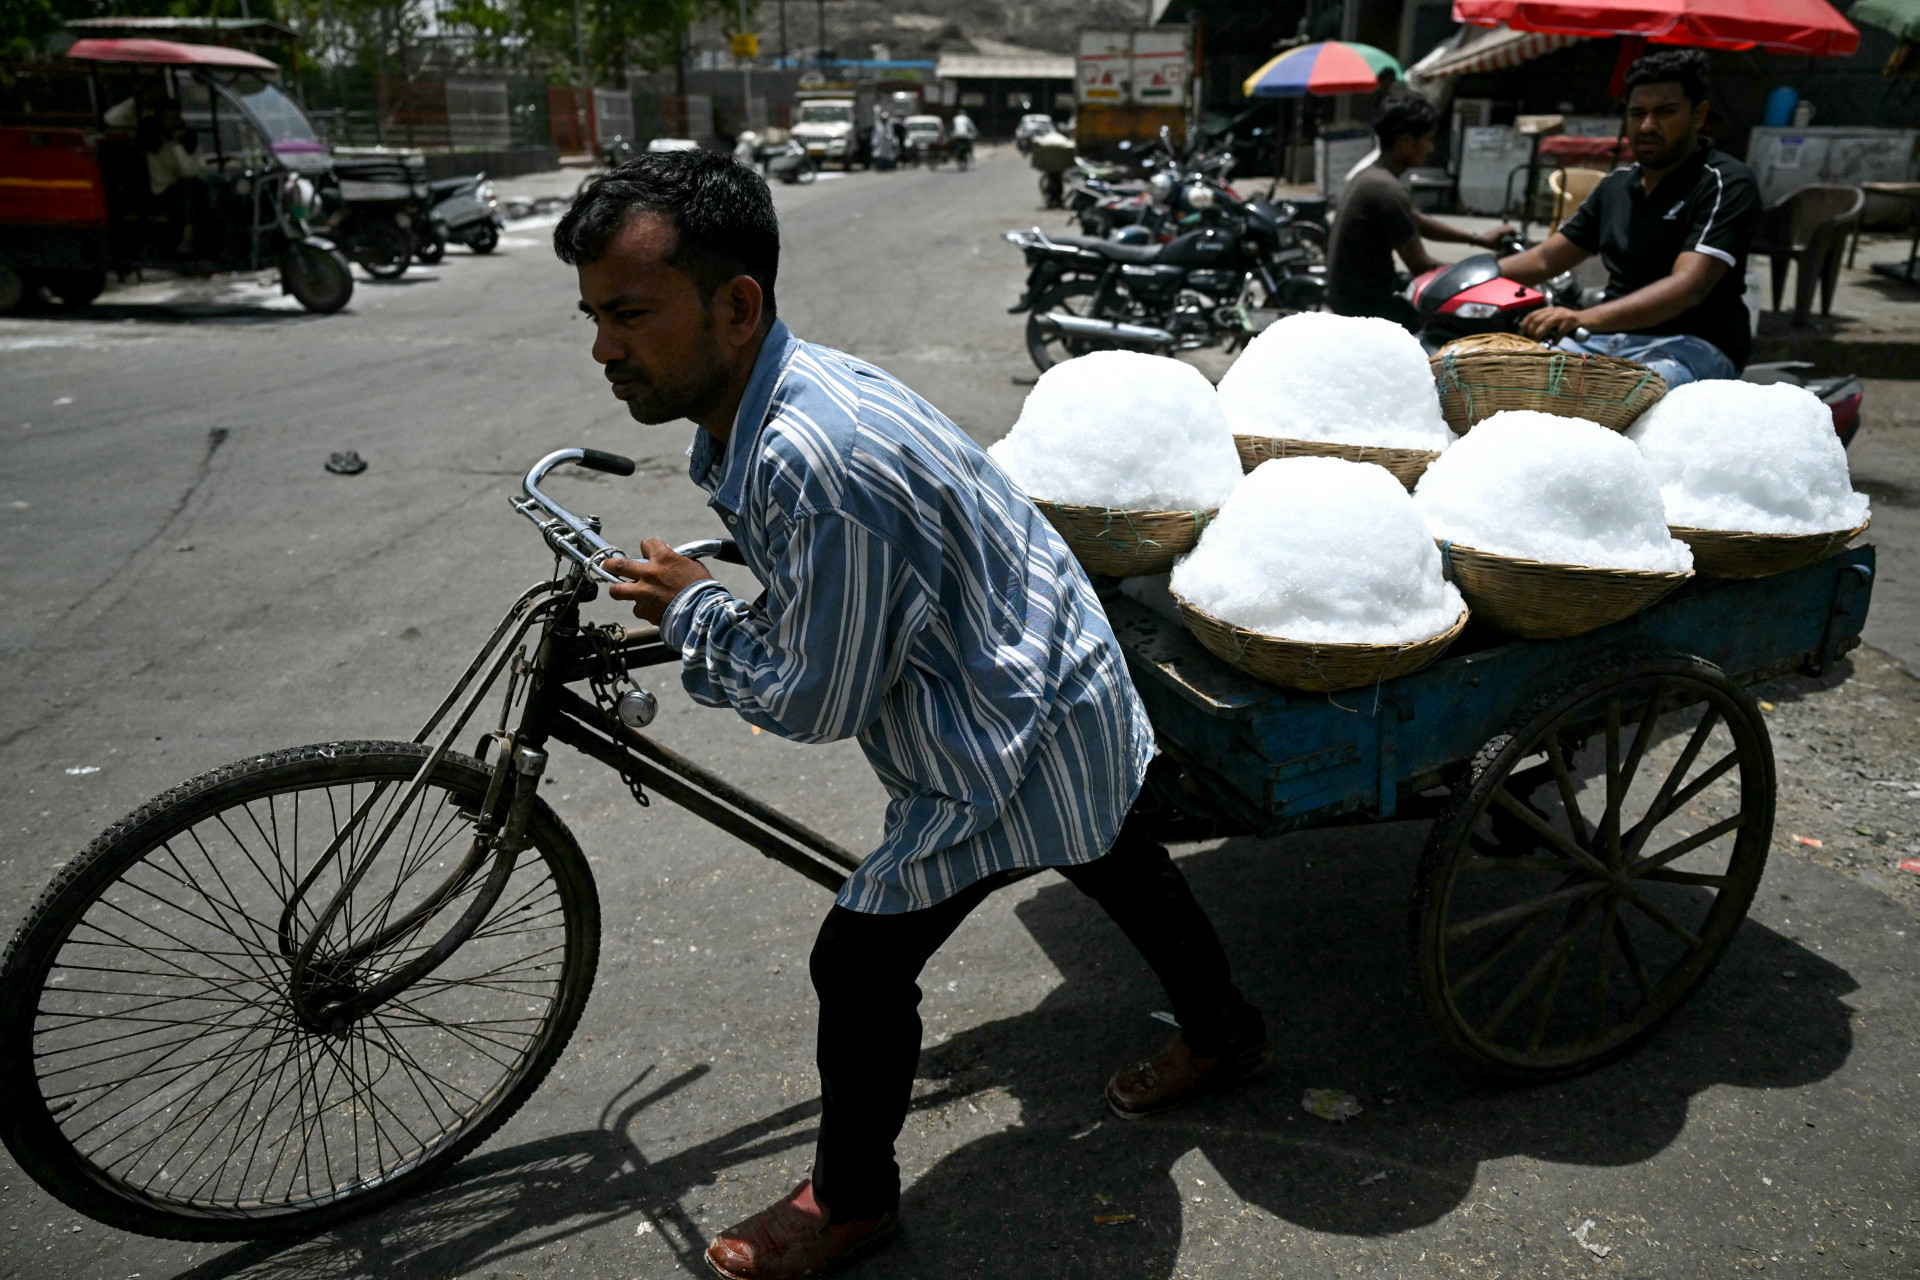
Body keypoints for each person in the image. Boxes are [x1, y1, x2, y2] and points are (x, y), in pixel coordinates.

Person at [555, 151, 1268, 1280]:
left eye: (630, 314)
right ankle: (1225, 1030)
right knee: (1115, 856)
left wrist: (698, 617)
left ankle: (852, 1201)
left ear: (736, 306)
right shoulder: (775, 395)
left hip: (1016, 724)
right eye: (595, 316)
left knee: (859, 961)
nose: (604, 348)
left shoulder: (813, 454)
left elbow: (814, 699)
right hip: (1048, 661)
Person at [1496, 48, 1760, 386]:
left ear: (1698, 115)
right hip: (1606, 339)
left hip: (1693, 345)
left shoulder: (1724, 182)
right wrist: (1461, 278)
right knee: (1512, 377)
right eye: (1637, 113)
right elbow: (1545, 258)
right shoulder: (1616, 186)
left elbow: (1688, 286)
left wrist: (1582, 317)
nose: (1648, 125)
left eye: (1665, 112)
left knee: (1625, 394)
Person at [1327, 93, 1513, 329]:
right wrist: (1482, 278)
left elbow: (1419, 222)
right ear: (1405, 142)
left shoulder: (1372, 177)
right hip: (1368, 307)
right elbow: (1421, 265)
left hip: (1357, 296)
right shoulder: (1386, 189)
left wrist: (1479, 240)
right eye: (1427, 139)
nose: (1431, 148)